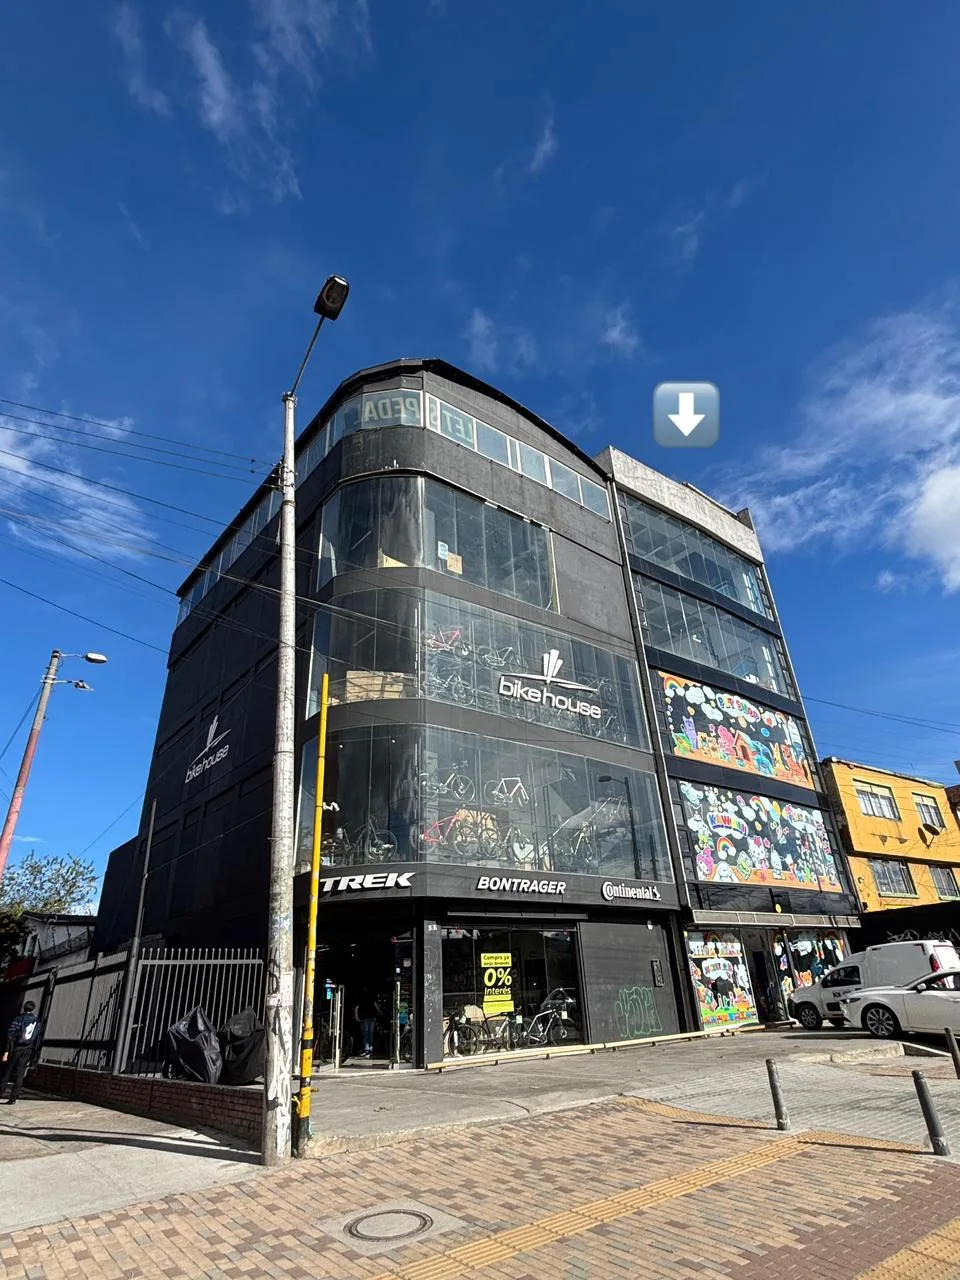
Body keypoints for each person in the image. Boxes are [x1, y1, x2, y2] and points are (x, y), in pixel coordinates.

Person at [1, 1001, 39, 1105]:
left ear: (24, 1008)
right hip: (28, 1049)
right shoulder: (36, 1021)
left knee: (7, 1071)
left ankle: (1, 1092)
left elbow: (10, 1034)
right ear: (33, 1009)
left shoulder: (19, 1019)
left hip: (16, 1048)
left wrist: (6, 1051)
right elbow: (37, 1037)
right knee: (20, 1074)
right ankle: (13, 1097)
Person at [353, 990, 380, 1058]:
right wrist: (380, 1012)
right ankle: (370, 1049)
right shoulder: (372, 996)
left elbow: (356, 1008)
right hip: (372, 1017)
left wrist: (356, 1017)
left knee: (366, 1034)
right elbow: (376, 1005)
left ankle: (367, 1049)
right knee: (371, 1033)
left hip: (364, 1017)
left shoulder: (361, 997)